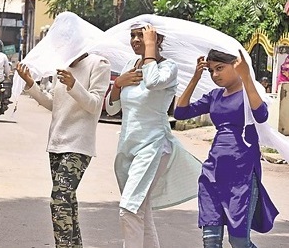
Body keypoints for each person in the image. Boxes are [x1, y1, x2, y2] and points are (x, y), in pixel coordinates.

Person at [105, 23, 201, 248]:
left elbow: (152, 81)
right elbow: (111, 109)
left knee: (129, 209)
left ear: (157, 39)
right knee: (141, 212)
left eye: (143, 35)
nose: (136, 40)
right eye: (133, 36)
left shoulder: (169, 68)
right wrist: (118, 84)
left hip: (154, 146)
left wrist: (149, 49)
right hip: (127, 149)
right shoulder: (131, 65)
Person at [174, 49, 279, 248]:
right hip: (212, 174)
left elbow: (261, 115)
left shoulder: (249, 95)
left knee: (239, 241)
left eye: (220, 68)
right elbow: (180, 112)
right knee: (210, 240)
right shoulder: (214, 96)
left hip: (243, 175)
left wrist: (247, 76)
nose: (215, 75)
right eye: (211, 71)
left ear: (236, 65)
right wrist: (195, 78)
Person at [16, 51, 111, 247]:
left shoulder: (99, 64)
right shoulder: (62, 65)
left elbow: (95, 105)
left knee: (59, 200)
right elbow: (53, 103)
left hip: (79, 144)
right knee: (68, 203)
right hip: (57, 143)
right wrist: (31, 84)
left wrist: (73, 85)